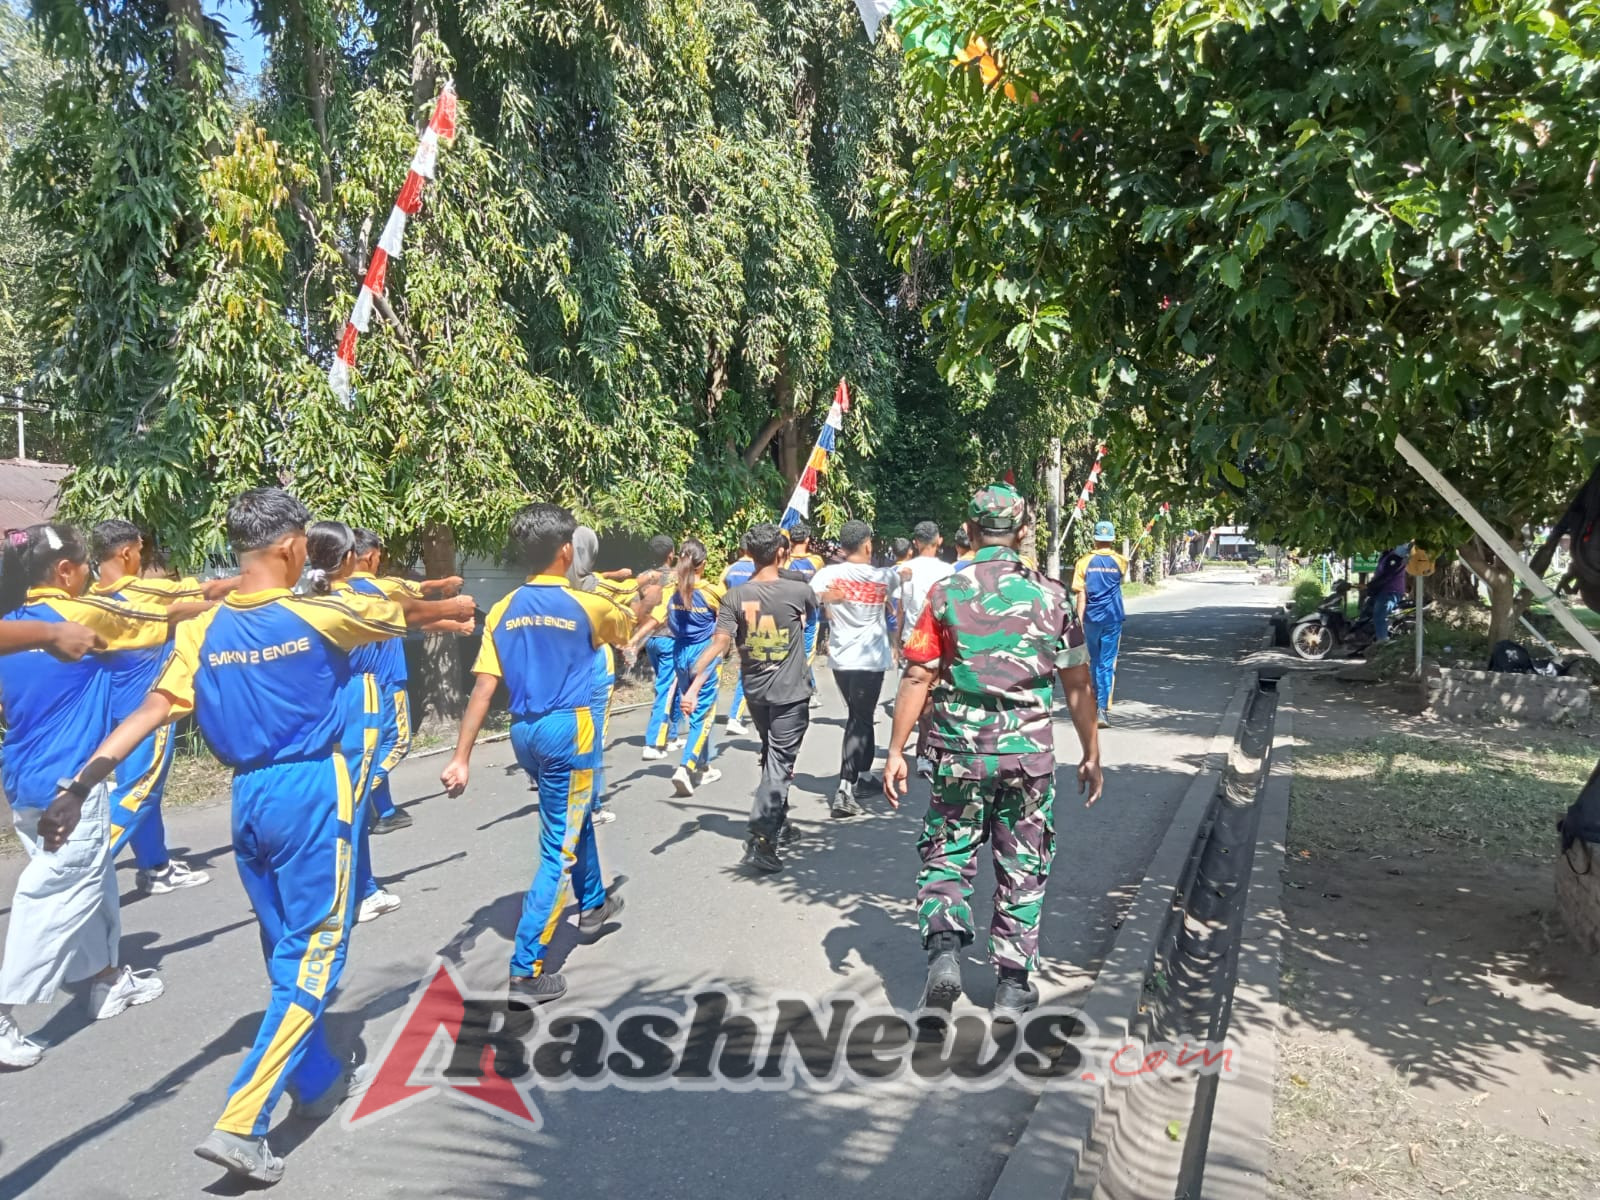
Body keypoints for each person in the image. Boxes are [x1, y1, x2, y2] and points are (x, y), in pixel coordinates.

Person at [48, 489, 430, 1182]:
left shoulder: (202, 630)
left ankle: (313, 1080)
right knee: (317, 955)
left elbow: (156, 708)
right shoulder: (322, 612)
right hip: (315, 790)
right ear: (290, 547)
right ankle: (241, 1122)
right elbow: (392, 610)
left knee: (285, 949)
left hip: (247, 801)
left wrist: (81, 784)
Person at [884, 484, 1104, 1022]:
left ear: (972, 530)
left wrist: (895, 751)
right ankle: (1011, 984)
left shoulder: (944, 594)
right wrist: (1092, 751)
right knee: (1023, 861)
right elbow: (1078, 684)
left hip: (958, 750)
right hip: (1027, 756)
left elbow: (918, 673)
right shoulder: (1053, 597)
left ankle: (943, 955)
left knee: (948, 852)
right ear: (1024, 531)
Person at [441, 503, 650, 1007]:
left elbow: (485, 688)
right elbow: (631, 626)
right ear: (565, 550)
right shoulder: (586, 605)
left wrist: (461, 756)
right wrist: (649, 593)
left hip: (523, 734)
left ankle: (594, 904)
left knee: (570, 819)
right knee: (559, 847)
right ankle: (527, 967)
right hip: (569, 729)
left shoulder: (506, 608)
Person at [0, 524, 181, 1069]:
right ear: (64, 572)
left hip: (24, 782)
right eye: (82, 566)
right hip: (69, 787)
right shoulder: (82, 624)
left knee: (90, 882)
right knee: (54, 898)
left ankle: (105, 980)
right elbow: (158, 624)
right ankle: (5, 1009)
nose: (87, 575)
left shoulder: (12, 628)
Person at [305, 522, 475, 926]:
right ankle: (363, 800)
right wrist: (453, 604)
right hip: (379, 689)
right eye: (379, 553)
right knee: (393, 748)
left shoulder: (317, 597)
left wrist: (449, 613)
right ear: (363, 556)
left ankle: (374, 815)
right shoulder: (376, 590)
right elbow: (413, 606)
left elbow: (413, 611)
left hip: (340, 699)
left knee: (355, 779)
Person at [90, 519, 229, 894]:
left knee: (144, 791)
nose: (141, 557)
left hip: (113, 710)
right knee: (137, 791)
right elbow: (203, 593)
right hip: (150, 708)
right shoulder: (142, 594)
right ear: (125, 552)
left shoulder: (92, 595)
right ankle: (81, 873)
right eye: (138, 550)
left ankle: (156, 866)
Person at [681, 523, 818, 872]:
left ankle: (779, 822)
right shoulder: (798, 590)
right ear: (781, 552)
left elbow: (720, 644)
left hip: (756, 692)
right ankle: (762, 837)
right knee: (779, 764)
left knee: (772, 755)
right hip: (790, 693)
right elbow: (811, 617)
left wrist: (694, 685)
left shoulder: (734, 596)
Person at [810, 519, 901, 817]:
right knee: (859, 719)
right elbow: (903, 576)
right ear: (867, 545)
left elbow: (807, 598)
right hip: (870, 660)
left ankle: (863, 776)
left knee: (861, 715)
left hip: (841, 660)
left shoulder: (828, 574)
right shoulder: (884, 576)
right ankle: (845, 788)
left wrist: (826, 598)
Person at [569, 526, 640, 825]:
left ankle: (564, 794)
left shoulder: (550, 585)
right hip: (596, 665)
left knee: (569, 733)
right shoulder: (597, 588)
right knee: (594, 737)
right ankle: (591, 805)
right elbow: (632, 595)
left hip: (564, 666)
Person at [665, 537, 726, 796]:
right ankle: (685, 766)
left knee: (693, 710)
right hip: (704, 653)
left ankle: (704, 765)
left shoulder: (672, 589)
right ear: (704, 564)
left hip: (679, 651)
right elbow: (726, 627)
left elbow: (664, 620)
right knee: (703, 714)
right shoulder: (713, 591)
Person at [631, 534, 687, 759]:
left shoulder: (642, 578)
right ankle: (653, 743)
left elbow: (634, 608)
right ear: (671, 554)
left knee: (672, 686)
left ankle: (671, 736)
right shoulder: (676, 577)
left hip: (650, 640)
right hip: (669, 638)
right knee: (666, 687)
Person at [1073, 520, 1128, 727]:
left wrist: (1078, 623)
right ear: (1112, 539)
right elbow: (1120, 579)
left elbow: (1081, 597)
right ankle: (1102, 709)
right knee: (1106, 664)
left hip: (1091, 619)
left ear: (1095, 539)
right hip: (1113, 618)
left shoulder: (1083, 562)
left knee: (1093, 662)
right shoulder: (1121, 561)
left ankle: (1094, 703)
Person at [721, 545, 757, 736]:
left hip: (734, 622)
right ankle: (735, 716)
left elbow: (721, 594)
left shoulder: (729, 569)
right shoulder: (758, 568)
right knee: (750, 670)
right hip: (754, 623)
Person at [786, 523, 825, 698]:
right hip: (811, 612)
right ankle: (806, 688)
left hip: (789, 612)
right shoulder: (817, 561)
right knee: (808, 651)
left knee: (790, 649)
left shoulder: (785, 562)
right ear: (807, 539)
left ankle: (809, 686)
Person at [1369, 543, 1412, 641]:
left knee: (1379, 616)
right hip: (1382, 590)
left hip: (1390, 591)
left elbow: (1387, 576)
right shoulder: (1387, 555)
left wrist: (1370, 585)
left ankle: (1382, 642)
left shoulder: (1396, 558)